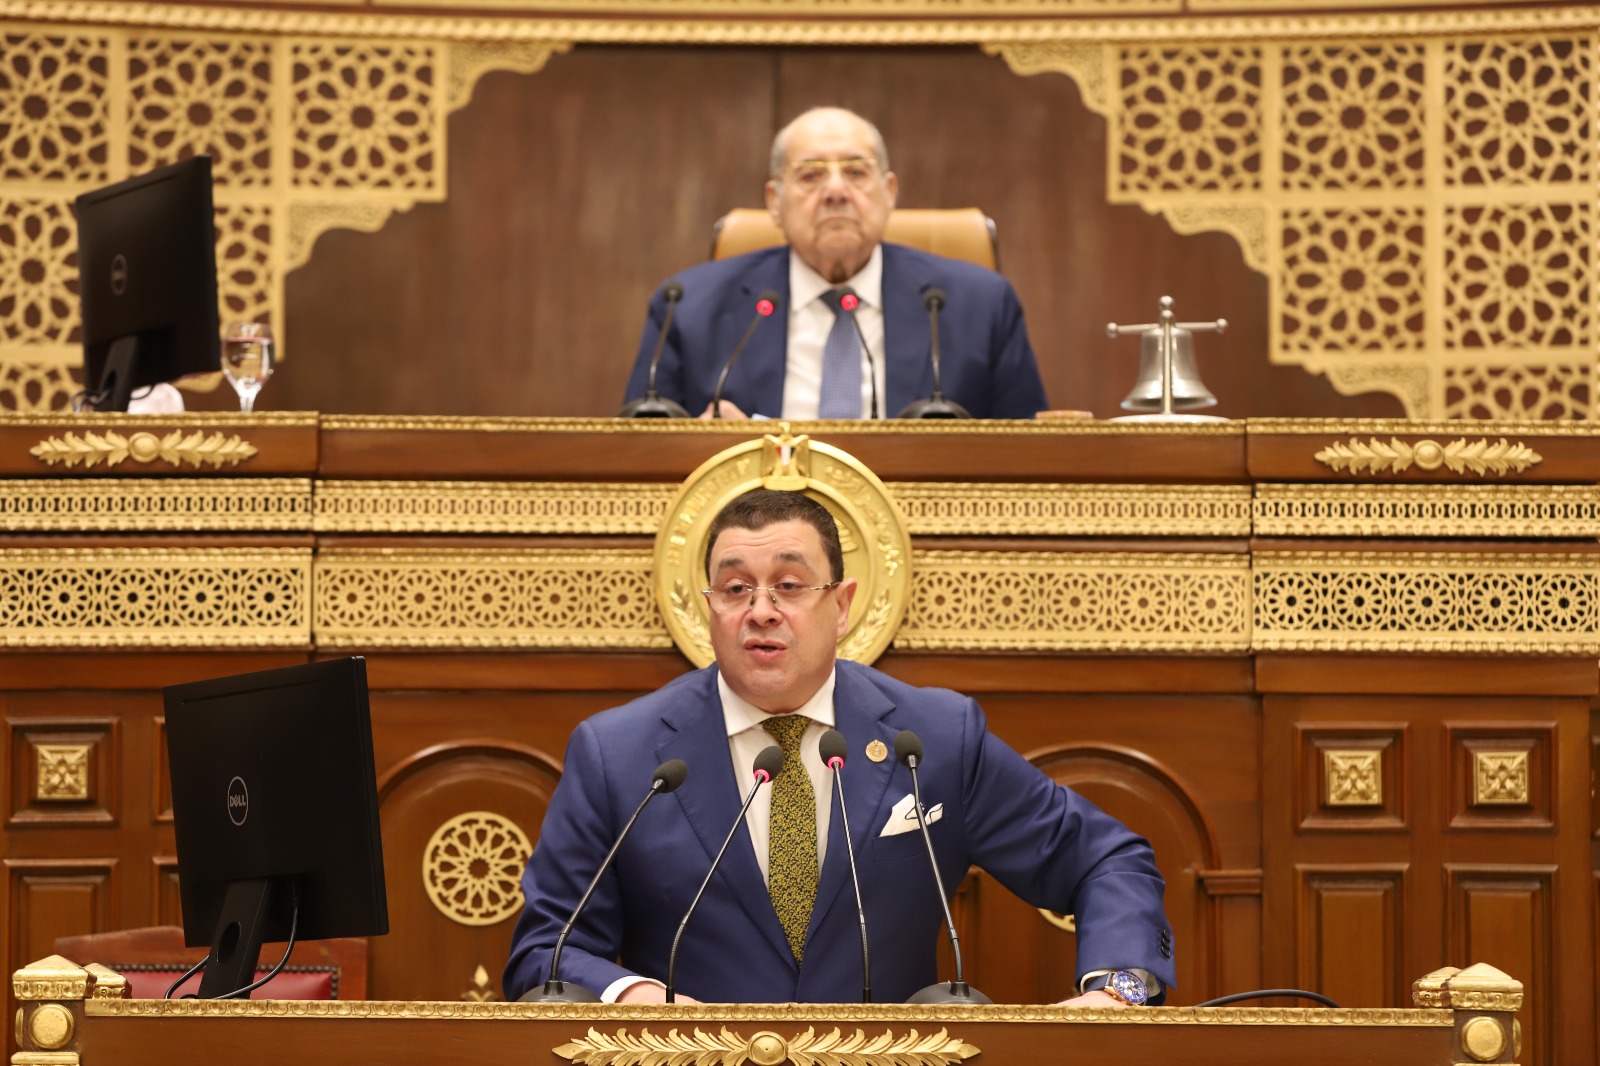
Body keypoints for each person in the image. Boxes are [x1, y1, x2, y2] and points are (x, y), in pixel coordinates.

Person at [503, 489, 1174, 1005]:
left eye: (789, 586)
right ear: (709, 608)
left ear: (842, 604)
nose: (761, 610)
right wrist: (636, 998)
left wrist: (1118, 989)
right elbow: (544, 951)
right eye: (735, 589)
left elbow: (1104, 859)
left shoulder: (934, 737)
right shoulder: (619, 754)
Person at [621, 108, 1049, 420]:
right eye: (810, 175)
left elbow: (1028, 458)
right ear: (774, 202)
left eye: (856, 172)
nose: (836, 191)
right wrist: (710, 448)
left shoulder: (980, 305)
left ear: (890, 192)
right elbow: (641, 456)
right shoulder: (687, 307)